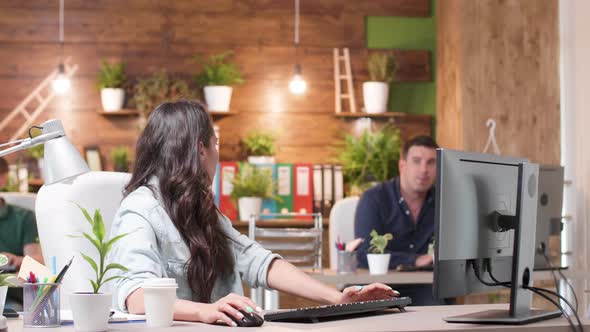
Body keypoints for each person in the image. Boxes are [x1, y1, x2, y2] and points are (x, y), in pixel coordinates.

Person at [109, 100, 398, 327]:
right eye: (216, 144)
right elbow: (136, 296)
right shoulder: (139, 210)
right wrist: (207, 312)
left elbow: (258, 262)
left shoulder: (202, 210)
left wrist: (338, 299)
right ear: (201, 150)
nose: (217, 155)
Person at [354, 135, 440, 305]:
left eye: (431, 162)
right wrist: (414, 261)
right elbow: (364, 253)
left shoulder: (443, 200)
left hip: (426, 288)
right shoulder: (374, 199)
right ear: (402, 165)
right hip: (377, 288)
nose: (424, 169)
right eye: (417, 161)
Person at [0, 157, 44, 270]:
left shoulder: (24, 218)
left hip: (14, 282)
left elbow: (37, 262)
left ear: (3, 178)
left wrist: (15, 260)